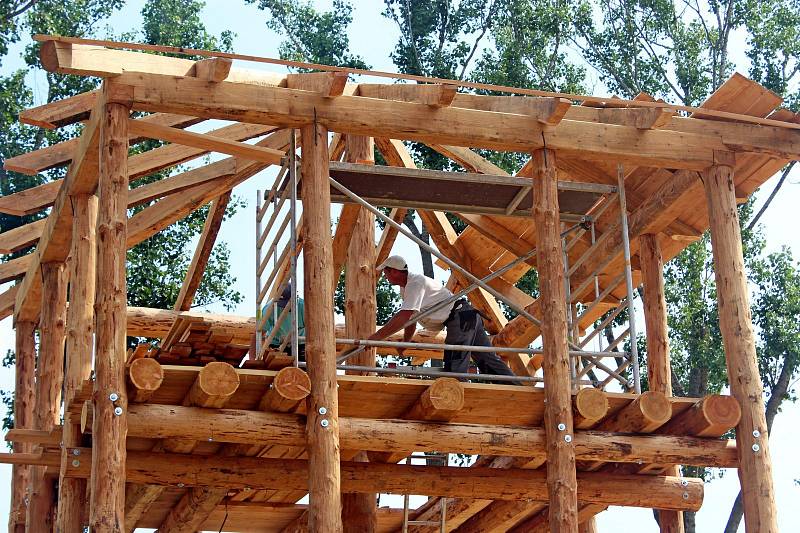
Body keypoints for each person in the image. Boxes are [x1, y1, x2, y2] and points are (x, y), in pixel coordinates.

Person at [369, 255, 517, 382]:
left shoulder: (415, 283)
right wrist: (405, 342)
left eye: (386, 273)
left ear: (394, 271)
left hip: (460, 318)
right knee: (487, 360)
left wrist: (375, 337)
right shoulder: (408, 288)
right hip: (466, 316)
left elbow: (403, 317)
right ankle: (514, 390)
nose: (385, 277)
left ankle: (455, 397)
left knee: (454, 365)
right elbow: (411, 320)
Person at [261, 282, 305, 358]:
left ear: (296, 298)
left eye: (288, 304)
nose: (285, 308)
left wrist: (296, 338)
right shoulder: (268, 309)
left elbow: (316, 335)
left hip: (300, 343)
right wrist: (254, 360)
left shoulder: (304, 307)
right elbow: (259, 334)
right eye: (283, 304)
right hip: (275, 343)